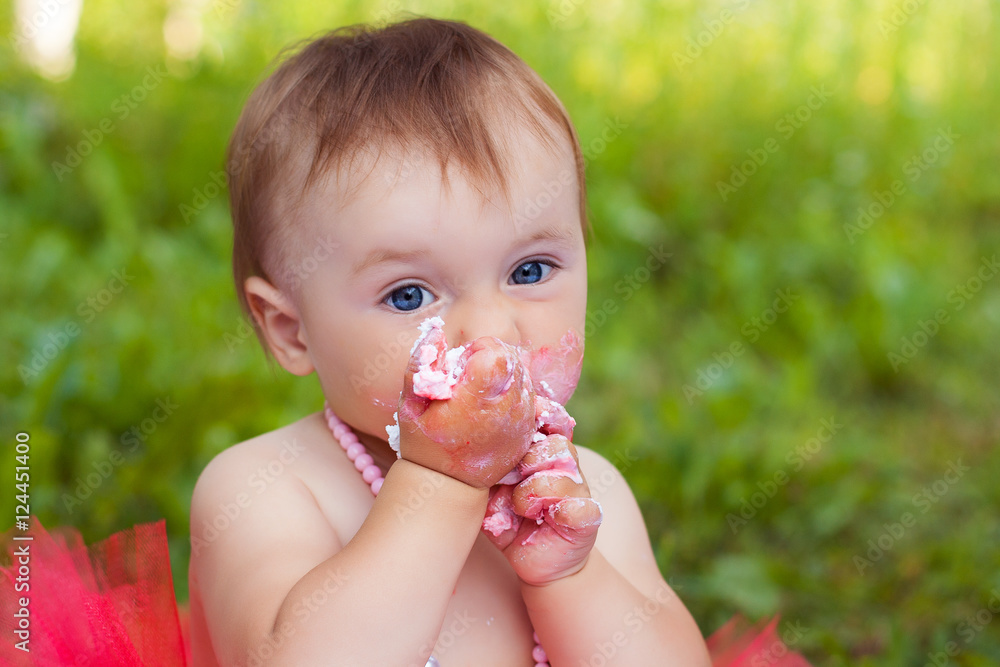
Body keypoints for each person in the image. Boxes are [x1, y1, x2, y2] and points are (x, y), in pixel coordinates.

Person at [0, 15, 811, 667]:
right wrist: (441, 481)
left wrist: (569, 574)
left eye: (530, 269)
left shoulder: (584, 492)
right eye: (410, 293)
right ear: (291, 330)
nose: (490, 328)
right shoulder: (266, 488)